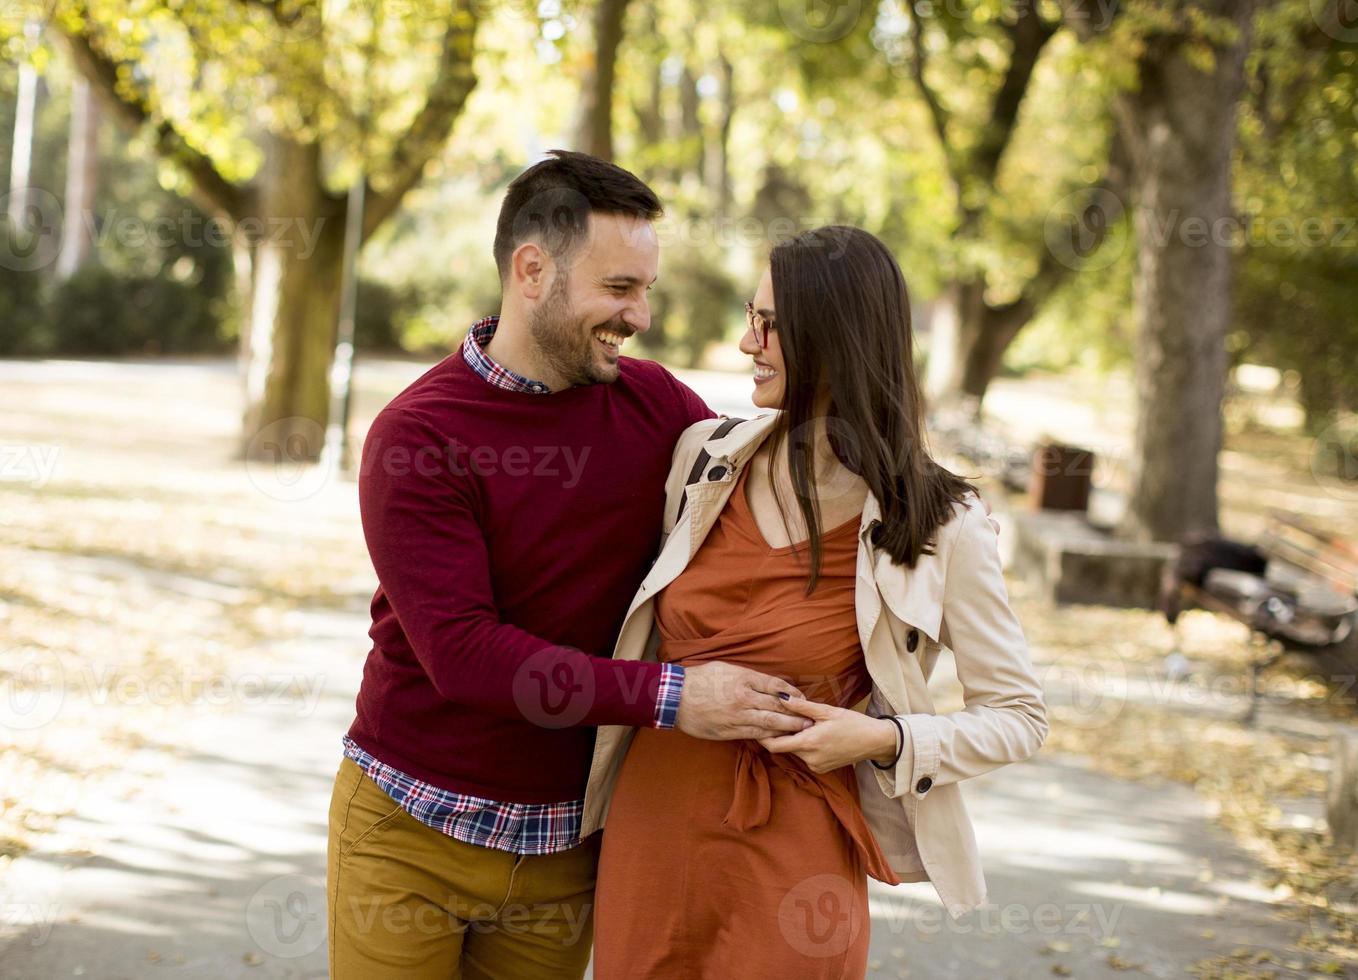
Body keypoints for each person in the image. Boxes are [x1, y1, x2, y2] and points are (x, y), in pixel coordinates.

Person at [326, 150, 813, 980]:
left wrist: (920, 500)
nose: (642, 314)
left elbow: (781, 483)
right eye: (621, 289)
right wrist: (674, 697)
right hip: (410, 835)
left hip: (569, 847)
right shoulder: (418, 436)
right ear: (531, 270)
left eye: (647, 290)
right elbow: (465, 654)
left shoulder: (658, 407)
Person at [587, 225, 1049, 978]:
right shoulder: (701, 459)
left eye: (771, 326)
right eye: (750, 316)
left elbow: (1020, 718)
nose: (746, 343)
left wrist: (883, 740)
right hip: (654, 826)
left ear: (838, 338)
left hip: (796, 858)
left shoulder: (940, 523)